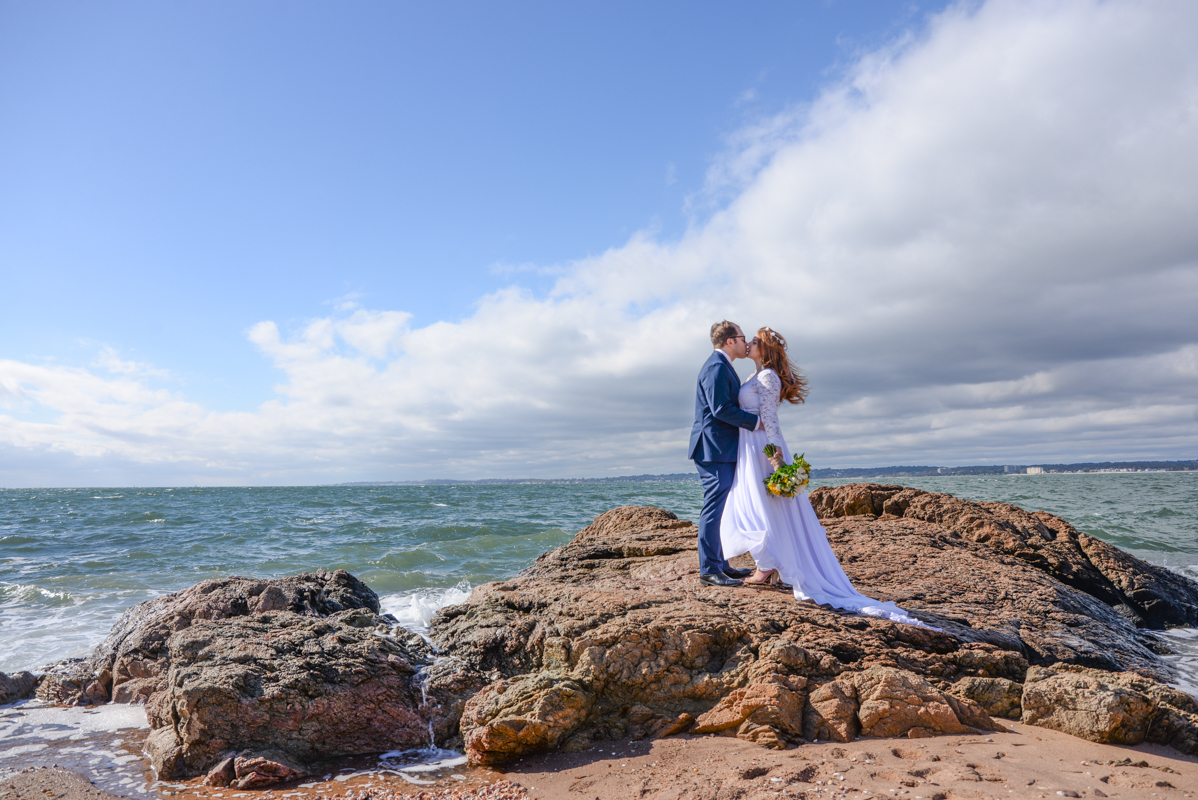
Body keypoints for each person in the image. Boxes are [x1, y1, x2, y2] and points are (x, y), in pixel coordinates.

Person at [719, 327, 933, 627]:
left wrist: (776, 456)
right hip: (749, 446)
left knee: (763, 506)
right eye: (749, 340)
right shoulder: (755, 376)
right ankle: (770, 564)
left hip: (762, 448)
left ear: (764, 350)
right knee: (756, 505)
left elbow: (770, 418)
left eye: (754, 342)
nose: (749, 344)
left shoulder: (767, 377)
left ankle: (767, 566)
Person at [688, 320, 760, 587]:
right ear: (730, 341)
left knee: (720, 507)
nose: (745, 343)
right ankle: (708, 570)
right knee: (713, 507)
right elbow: (720, 409)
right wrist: (755, 423)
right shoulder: (716, 367)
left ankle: (720, 565)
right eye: (742, 338)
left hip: (721, 447)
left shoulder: (722, 366)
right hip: (712, 448)